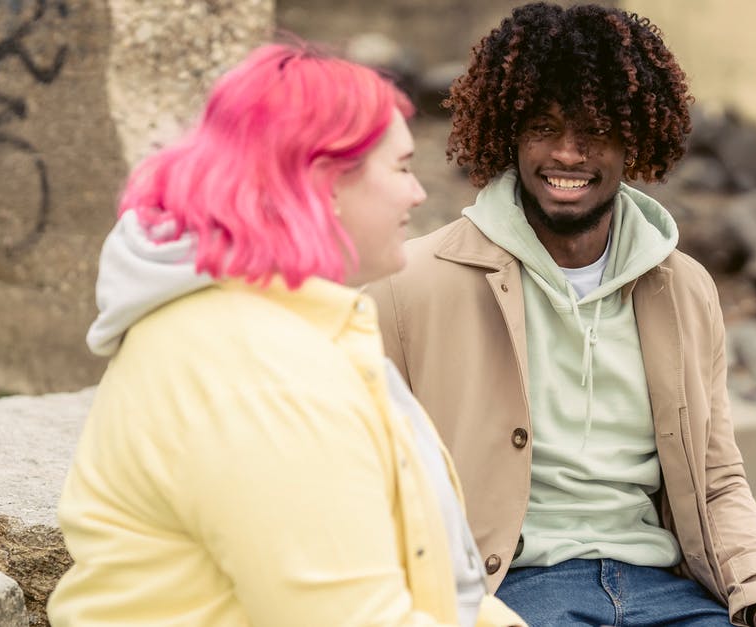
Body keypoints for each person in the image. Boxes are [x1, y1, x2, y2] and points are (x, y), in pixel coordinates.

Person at [365, 4, 756, 627]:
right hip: (507, 593)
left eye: (594, 130)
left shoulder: (687, 290)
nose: (567, 153)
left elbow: (718, 475)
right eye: (543, 127)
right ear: (508, 131)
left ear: (635, 137)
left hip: (665, 591)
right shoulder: (409, 283)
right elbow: (367, 474)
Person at [47, 41, 524, 627]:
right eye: (401, 167)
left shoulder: (283, 327)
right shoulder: (259, 376)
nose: (418, 193)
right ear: (324, 183)